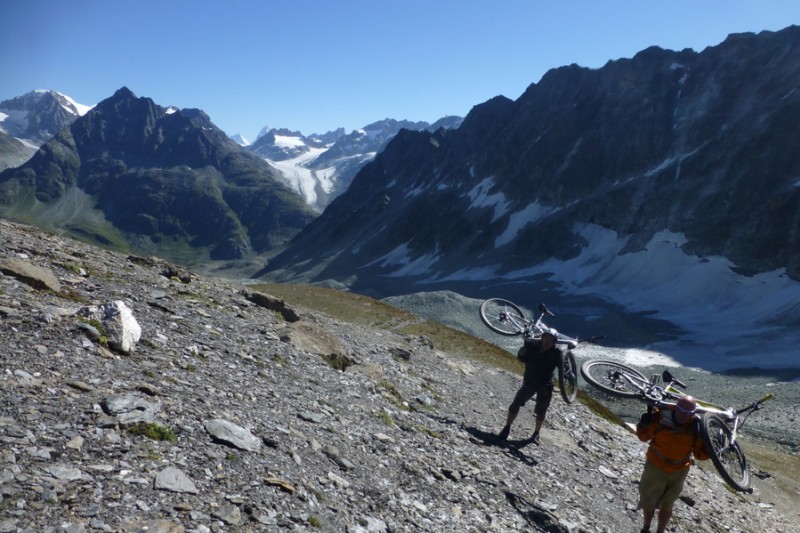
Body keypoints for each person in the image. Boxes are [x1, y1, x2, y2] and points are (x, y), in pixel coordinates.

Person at [635, 395, 709, 533]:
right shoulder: (661, 417)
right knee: (649, 500)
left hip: (678, 471)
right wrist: (643, 424)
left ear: (692, 413)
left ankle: (660, 531)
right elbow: (643, 437)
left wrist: (710, 449)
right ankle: (646, 527)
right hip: (656, 466)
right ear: (676, 406)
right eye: (680, 409)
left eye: (687, 413)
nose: (683, 414)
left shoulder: (696, 427)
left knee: (668, 505)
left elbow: (699, 454)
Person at [497, 329, 562, 445]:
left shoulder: (557, 353)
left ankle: (536, 433)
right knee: (515, 404)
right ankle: (506, 427)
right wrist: (523, 349)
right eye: (546, 338)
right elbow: (521, 358)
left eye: (551, 340)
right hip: (529, 383)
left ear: (554, 342)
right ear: (542, 337)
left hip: (545, 386)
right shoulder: (532, 345)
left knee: (541, 411)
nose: (547, 341)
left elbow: (562, 369)